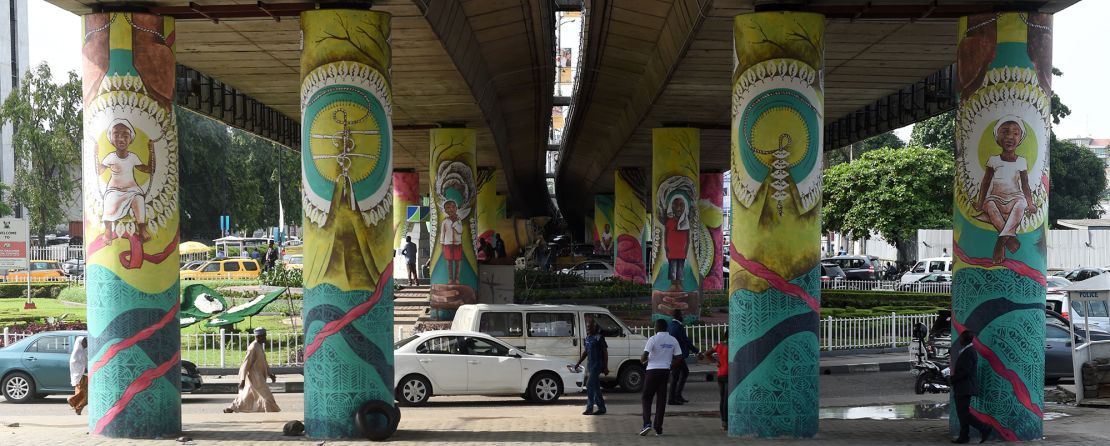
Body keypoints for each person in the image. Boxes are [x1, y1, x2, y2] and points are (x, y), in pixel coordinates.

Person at [974, 117, 1037, 265]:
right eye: (1005, 132)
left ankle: (1000, 244)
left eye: (1015, 133)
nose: (1010, 137)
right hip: (995, 198)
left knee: (1020, 205)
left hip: (1015, 198)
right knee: (989, 207)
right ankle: (1010, 239)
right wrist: (980, 202)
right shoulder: (993, 160)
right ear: (997, 138)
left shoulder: (1021, 161)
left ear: (1020, 138)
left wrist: (1030, 203)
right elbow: (985, 182)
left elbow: (1025, 185)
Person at [94, 119, 154, 242]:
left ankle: (142, 229)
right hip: (114, 190)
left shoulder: (132, 157)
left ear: (130, 139)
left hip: (132, 190)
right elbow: (99, 171)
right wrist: (95, 156)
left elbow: (149, 169)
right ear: (111, 139)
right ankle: (108, 231)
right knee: (109, 200)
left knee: (139, 199)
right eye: (116, 135)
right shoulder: (111, 157)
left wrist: (151, 152)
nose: (121, 139)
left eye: (125, 135)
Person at [640, 318, 681, 436]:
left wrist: (642, 360)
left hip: (652, 371)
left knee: (646, 397)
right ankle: (658, 428)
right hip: (665, 371)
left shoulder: (653, 339)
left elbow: (644, 356)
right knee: (661, 399)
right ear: (666, 328)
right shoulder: (673, 340)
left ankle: (647, 423)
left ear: (657, 327)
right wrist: (669, 366)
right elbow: (679, 358)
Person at [224, 327, 280, 413]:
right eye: (264, 336)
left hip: (259, 375)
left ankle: (233, 407)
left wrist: (270, 374)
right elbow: (246, 364)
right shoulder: (253, 347)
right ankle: (270, 410)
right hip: (255, 376)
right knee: (266, 395)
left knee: (247, 394)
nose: (265, 338)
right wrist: (242, 380)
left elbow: (264, 362)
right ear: (258, 336)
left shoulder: (259, 346)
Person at [950, 330, 992, 443]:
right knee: (962, 413)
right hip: (962, 386)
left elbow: (966, 371)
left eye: (961, 338)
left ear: (965, 339)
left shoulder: (969, 352)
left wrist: (953, 379)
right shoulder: (967, 350)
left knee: (964, 413)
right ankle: (964, 436)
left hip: (965, 387)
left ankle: (984, 427)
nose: (959, 340)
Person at [575, 321, 609, 415]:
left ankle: (589, 408)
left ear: (595, 327)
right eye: (587, 327)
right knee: (595, 387)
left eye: (590, 327)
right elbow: (586, 352)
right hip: (590, 365)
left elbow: (605, 353)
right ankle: (601, 408)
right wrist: (578, 362)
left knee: (589, 384)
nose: (588, 329)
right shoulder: (587, 338)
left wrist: (605, 367)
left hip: (598, 364)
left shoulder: (599, 338)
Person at [667, 309, 698, 405]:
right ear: (678, 315)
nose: (683, 317)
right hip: (678, 355)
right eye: (682, 315)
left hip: (673, 354)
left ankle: (677, 395)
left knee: (683, 372)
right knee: (676, 376)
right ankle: (672, 398)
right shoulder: (678, 327)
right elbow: (685, 340)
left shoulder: (669, 325)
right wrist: (696, 351)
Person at [660, 196, 690, 291]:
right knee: (672, 266)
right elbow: (666, 234)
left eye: (681, 205)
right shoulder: (669, 222)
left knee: (680, 267)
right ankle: (673, 284)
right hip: (671, 250)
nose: (678, 208)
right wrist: (665, 246)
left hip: (681, 251)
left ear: (685, 207)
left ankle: (679, 284)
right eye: (675, 205)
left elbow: (688, 238)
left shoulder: (686, 223)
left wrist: (686, 249)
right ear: (672, 207)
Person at [440, 200, 464, 284]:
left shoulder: (459, 220)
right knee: (449, 262)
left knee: (458, 262)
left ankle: (457, 278)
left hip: (457, 243)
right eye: (448, 208)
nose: (451, 209)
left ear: (456, 208)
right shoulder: (445, 221)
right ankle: (450, 279)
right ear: (445, 210)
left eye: (453, 207)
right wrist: (442, 244)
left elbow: (460, 231)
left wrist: (455, 224)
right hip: (447, 244)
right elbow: (442, 233)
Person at [710, 331, 729, 430]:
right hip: (728, 374)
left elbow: (706, 354)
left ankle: (723, 422)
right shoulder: (731, 346)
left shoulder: (718, 345)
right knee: (727, 399)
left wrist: (716, 361)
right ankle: (726, 421)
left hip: (720, 374)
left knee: (722, 399)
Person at [67, 336, 88, 415]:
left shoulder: (83, 351)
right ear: (80, 343)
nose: (86, 343)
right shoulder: (77, 352)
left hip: (84, 375)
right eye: (84, 342)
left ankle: (78, 409)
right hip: (80, 375)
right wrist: (82, 369)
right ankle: (72, 400)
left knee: (85, 394)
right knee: (84, 394)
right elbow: (73, 363)